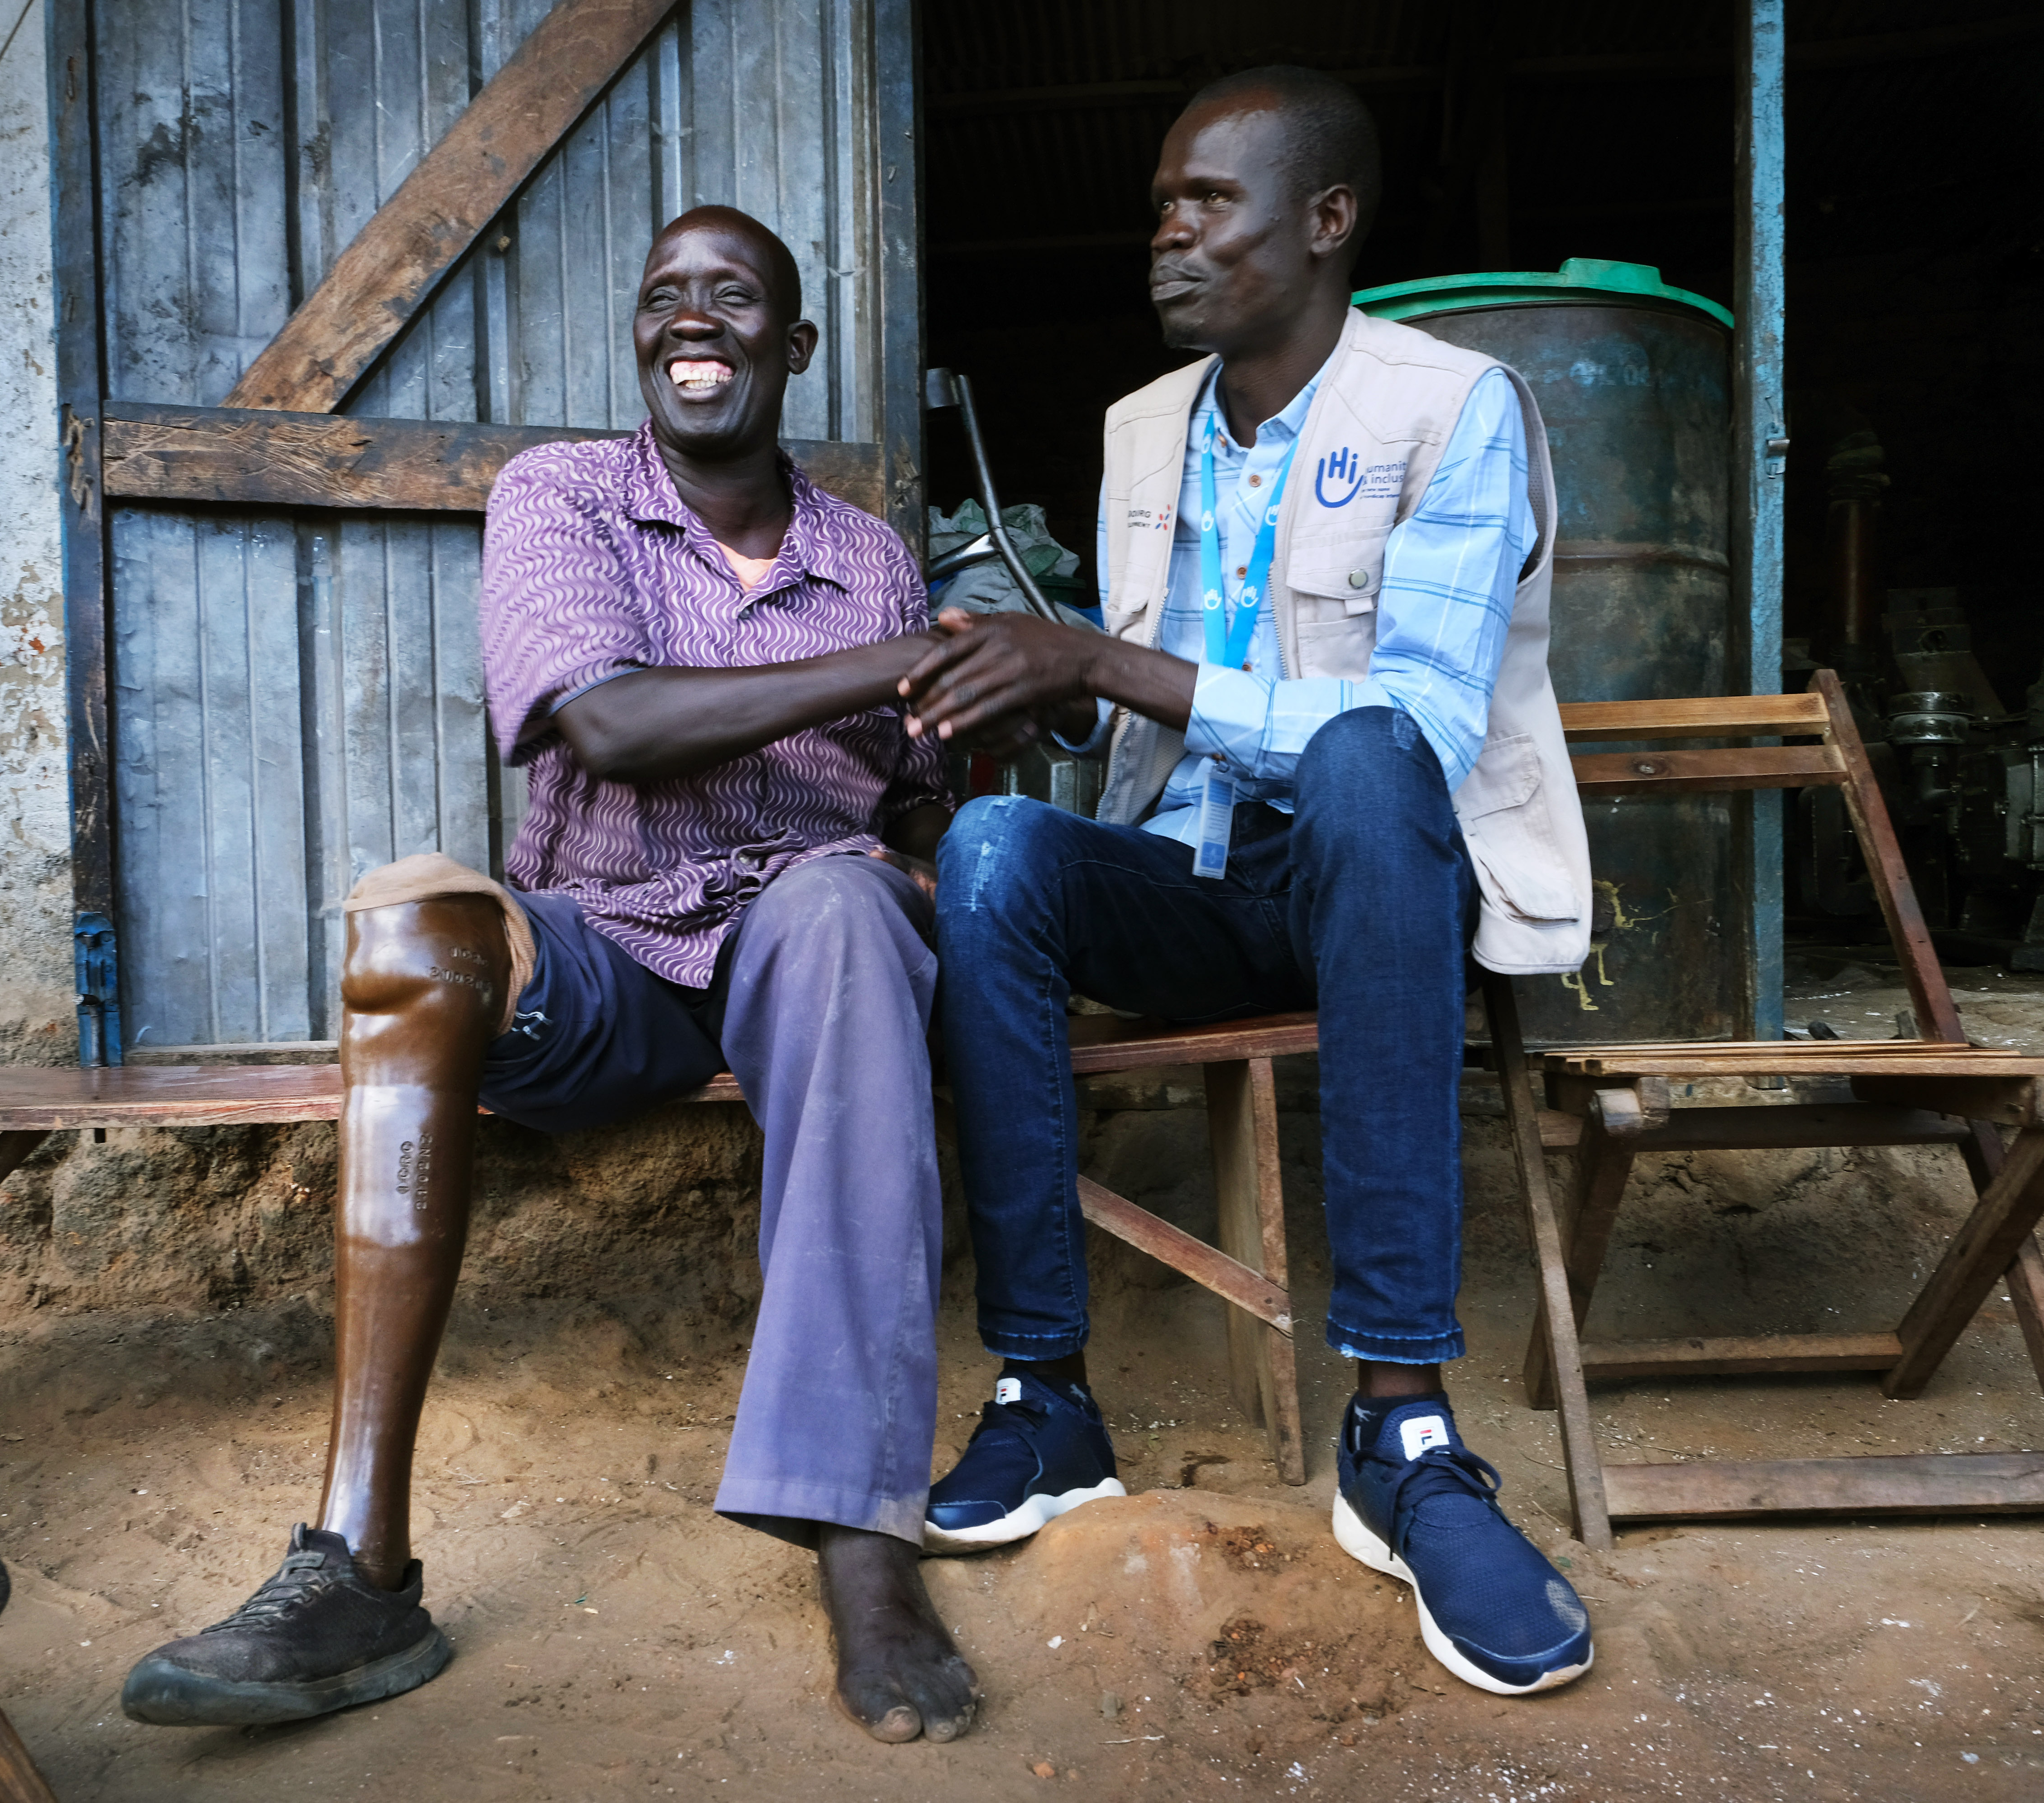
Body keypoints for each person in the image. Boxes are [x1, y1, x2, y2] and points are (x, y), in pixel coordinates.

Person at [120, 205, 982, 1745]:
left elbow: (904, 792)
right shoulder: (563, 497)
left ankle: (865, 1547)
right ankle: (358, 1562)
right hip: (613, 946)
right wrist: (903, 661)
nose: (693, 318)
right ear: (643, 338)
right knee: (408, 920)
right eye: (665, 297)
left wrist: (956, 757)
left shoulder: (871, 555)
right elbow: (613, 727)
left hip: (807, 931)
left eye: (733, 298)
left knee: (851, 910)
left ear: (793, 347)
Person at [900, 67, 1599, 1698]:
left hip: (1374, 895)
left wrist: (1110, 668)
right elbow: (1132, 710)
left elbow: (1415, 732)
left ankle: (1403, 1432)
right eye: (1163, 202)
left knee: (1363, 761)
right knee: (996, 846)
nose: (1167, 233)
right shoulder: (1144, 428)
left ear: (1327, 222)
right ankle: (1044, 1396)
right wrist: (1049, 680)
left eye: (1207, 202)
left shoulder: (1453, 407)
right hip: (1193, 887)